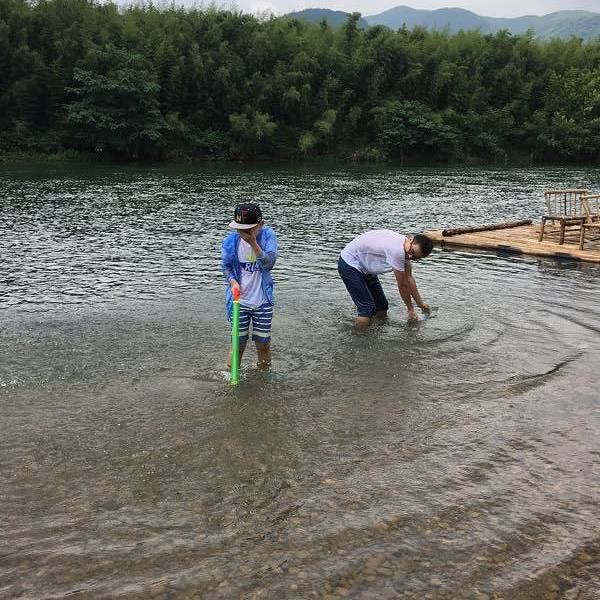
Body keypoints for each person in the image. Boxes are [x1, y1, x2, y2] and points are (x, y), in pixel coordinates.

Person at [221, 203, 278, 369]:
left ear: (260, 224)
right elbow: (226, 267)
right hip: (239, 301)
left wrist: (253, 243)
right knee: (238, 345)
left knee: (263, 344)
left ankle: (263, 377)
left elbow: (269, 264)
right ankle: (231, 379)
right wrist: (233, 282)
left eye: (249, 229)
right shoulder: (230, 242)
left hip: (263, 301)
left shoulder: (268, 236)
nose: (244, 233)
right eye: (240, 229)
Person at [338, 230, 433, 325]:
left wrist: (420, 304)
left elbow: (409, 278)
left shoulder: (406, 249)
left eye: (414, 258)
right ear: (411, 239)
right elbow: (402, 285)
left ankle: (378, 330)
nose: (409, 256)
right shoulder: (397, 250)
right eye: (411, 252)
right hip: (349, 263)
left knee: (382, 305)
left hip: (364, 266)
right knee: (366, 309)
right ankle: (359, 333)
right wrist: (410, 309)